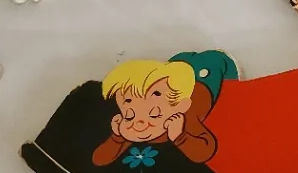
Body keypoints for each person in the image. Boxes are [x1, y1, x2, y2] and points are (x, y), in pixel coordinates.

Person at [92, 50, 238, 166]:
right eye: (129, 116)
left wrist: (179, 136)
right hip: (177, 78)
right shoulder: (134, 127)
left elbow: (205, 151)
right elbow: (99, 159)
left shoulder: (184, 120)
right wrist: (116, 137)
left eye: (154, 115)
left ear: (180, 107)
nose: (141, 124)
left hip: (205, 80)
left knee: (216, 63)